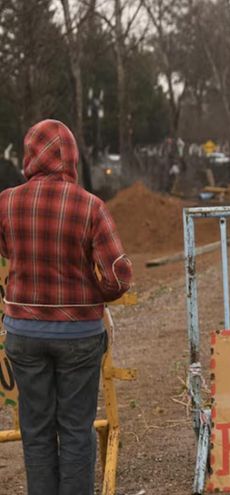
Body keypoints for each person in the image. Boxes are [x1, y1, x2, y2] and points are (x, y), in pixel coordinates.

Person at [0, 119, 133, 495]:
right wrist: (93, 293)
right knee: (76, 429)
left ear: (29, 155)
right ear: (71, 156)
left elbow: (7, 250)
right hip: (79, 335)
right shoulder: (90, 206)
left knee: (36, 430)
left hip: (23, 334)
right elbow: (118, 276)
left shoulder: (6, 202)